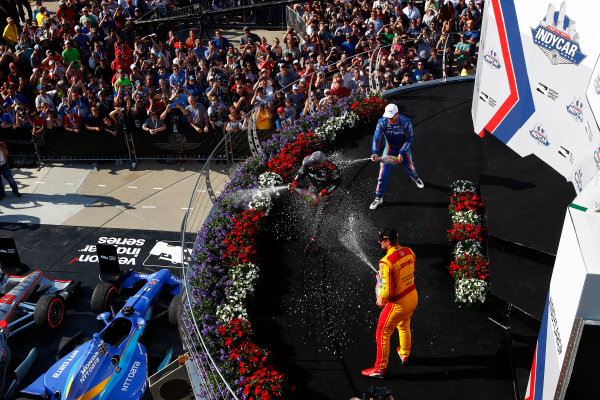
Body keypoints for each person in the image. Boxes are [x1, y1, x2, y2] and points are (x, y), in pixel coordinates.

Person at [361, 227, 418, 378]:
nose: (379, 242)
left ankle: (380, 368)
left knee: (382, 332)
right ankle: (405, 354)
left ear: (387, 241)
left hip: (398, 304)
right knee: (404, 324)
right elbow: (405, 271)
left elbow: (388, 292)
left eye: (381, 240)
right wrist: (384, 277)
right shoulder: (409, 251)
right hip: (412, 297)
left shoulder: (385, 262)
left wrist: (380, 299)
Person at [370, 103, 424, 210]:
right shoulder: (382, 122)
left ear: (397, 114)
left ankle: (415, 178)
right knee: (382, 174)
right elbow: (376, 138)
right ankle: (379, 197)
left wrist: (401, 151)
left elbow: (410, 138)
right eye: (387, 116)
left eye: (391, 116)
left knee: (410, 166)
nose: (389, 119)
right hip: (389, 149)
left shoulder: (405, 121)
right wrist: (375, 152)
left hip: (403, 148)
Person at [288, 150, 341, 254]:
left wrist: (324, 193)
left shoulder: (331, 168)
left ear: (321, 164)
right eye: (310, 163)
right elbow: (300, 173)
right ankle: (316, 225)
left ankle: (314, 241)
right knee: (311, 210)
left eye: (314, 165)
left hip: (325, 193)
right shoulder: (307, 162)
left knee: (320, 218)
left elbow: (338, 183)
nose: (311, 166)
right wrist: (294, 183)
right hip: (313, 189)